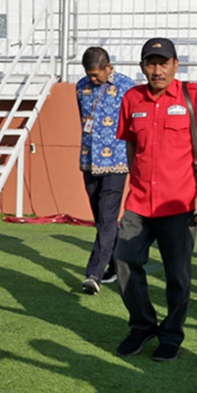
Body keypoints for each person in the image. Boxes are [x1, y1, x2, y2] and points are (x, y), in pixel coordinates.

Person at [114, 38, 197, 361]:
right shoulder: (132, 98)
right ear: (142, 67)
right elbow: (131, 145)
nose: (157, 70)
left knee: (178, 274)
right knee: (124, 259)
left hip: (179, 203)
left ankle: (171, 334)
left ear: (176, 64)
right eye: (151, 63)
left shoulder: (194, 96)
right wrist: (133, 186)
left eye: (163, 63)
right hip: (140, 202)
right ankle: (142, 325)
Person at [76, 47, 135, 295]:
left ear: (108, 67)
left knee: (108, 218)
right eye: (89, 74)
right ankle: (117, 265)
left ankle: (94, 274)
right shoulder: (80, 87)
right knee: (102, 220)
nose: (93, 79)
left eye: (97, 75)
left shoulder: (127, 87)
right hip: (89, 160)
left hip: (117, 162)